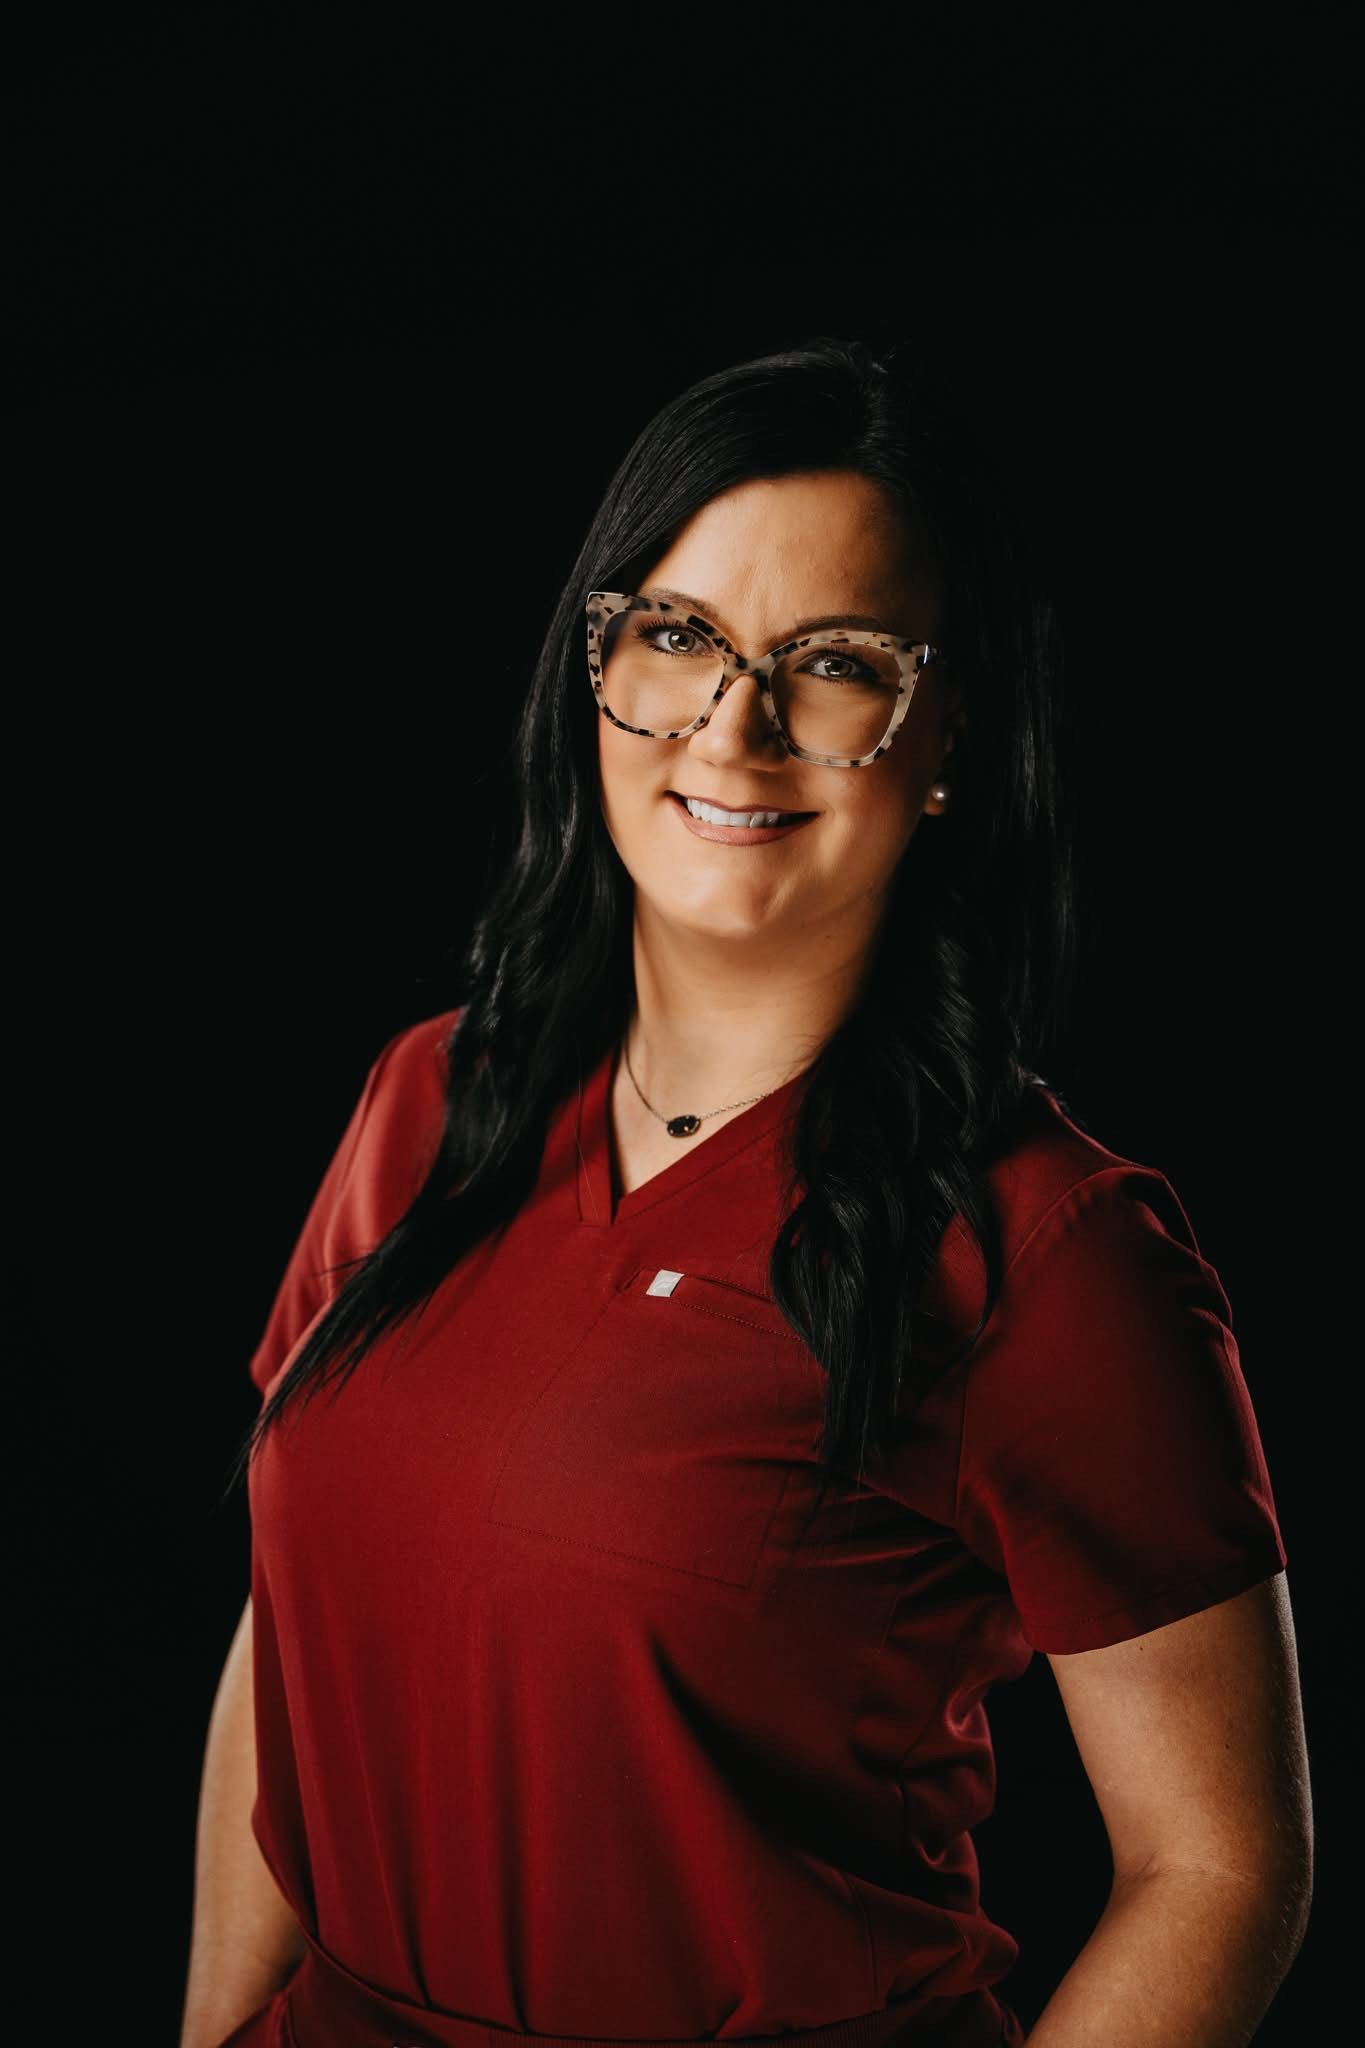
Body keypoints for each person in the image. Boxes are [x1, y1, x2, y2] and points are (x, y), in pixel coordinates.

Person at [179, 335, 1311, 2048]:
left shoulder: (1047, 1252)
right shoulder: (428, 1102)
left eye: (835, 664)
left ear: (950, 739)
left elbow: (1222, 1864)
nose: (733, 723)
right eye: (678, 636)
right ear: (599, 667)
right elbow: (286, 1640)